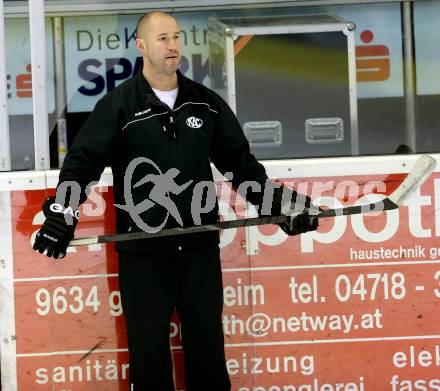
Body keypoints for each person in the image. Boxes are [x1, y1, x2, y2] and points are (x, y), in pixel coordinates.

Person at [32, 11, 318, 391]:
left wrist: (279, 204)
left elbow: (242, 167)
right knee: (148, 361)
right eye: (163, 38)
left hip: (199, 249)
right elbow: (81, 165)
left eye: (177, 37)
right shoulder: (118, 106)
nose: (172, 46)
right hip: (144, 254)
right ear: (141, 45)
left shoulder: (205, 104)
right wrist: (63, 211)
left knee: (208, 357)